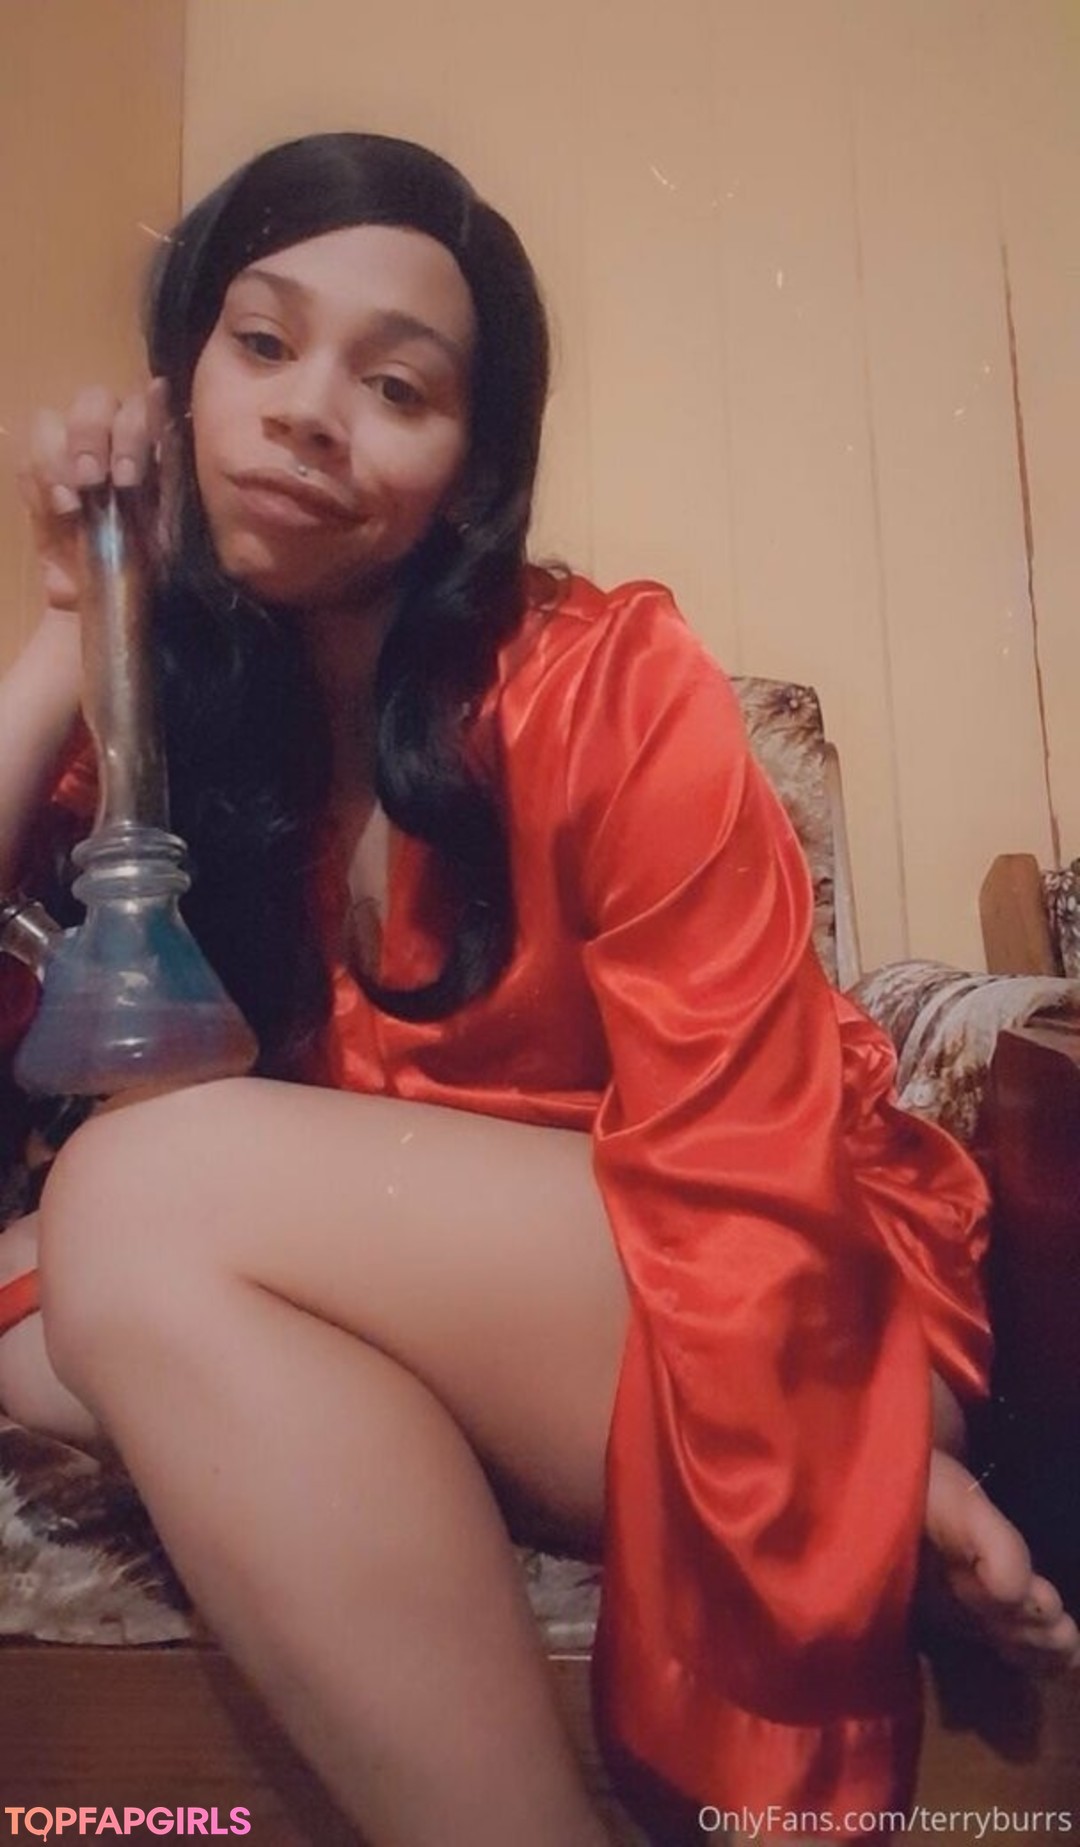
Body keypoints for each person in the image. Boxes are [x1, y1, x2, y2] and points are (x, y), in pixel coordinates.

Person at [0, 133, 1074, 1847]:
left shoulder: (606, 683)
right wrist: (77, 615)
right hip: (488, 1324)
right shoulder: (181, 723)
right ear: (178, 379)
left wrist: (819, 1481)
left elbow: (750, 1162)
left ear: (470, 467)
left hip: (787, 1271)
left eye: (397, 386)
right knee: (56, 1306)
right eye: (261, 343)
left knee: (130, 1201)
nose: (309, 413)